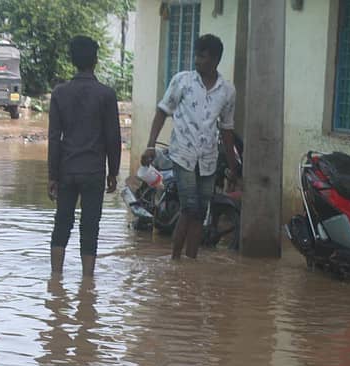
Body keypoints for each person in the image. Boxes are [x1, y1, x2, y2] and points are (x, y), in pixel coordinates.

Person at [142, 34, 239, 260]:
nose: (196, 61)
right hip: (182, 154)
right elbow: (162, 112)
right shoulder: (182, 81)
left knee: (200, 212)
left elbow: (227, 129)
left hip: (208, 159)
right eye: (196, 55)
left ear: (215, 59)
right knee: (190, 207)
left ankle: (191, 262)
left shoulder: (227, 91)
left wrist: (233, 167)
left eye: (202, 56)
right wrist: (150, 146)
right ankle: (175, 259)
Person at [48, 35, 121, 278]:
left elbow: (54, 138)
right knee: (90, 227)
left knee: (62, 223)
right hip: (94, 171)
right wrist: (114, 172)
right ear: (96, 60)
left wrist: (52, 176)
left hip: (67, 170)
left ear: (72, 60)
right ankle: (87, 283)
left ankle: (55, 278)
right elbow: (113, 137)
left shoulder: (60, 94)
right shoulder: (106, 95)